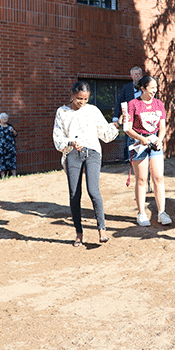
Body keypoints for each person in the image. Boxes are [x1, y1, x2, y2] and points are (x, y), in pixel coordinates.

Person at [53, 81, 120, 247]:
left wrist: (117, 124)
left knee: (93, 190)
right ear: (72, 95)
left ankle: (102, 229)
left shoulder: (92, 110)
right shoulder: (62, 112)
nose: (81, 102)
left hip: (92, 152)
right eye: (79, 98)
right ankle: (79, 233)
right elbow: (58, 138)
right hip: (72, 154)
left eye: (85, 99)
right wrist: (71, 142)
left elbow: (104, 132)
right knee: (74, 194)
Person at [123, 75, 170, 227]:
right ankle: (141, 213)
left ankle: (162, 212)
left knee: (158, 178)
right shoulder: (133, 104)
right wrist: (141, 139)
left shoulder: (159, 104)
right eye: (152, 88)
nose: (154, 91)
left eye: (156, 88)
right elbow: (128, 129)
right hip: (139, 143)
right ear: (143, 88)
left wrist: (159, 139)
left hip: (154, 142)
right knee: (142, 179)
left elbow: (162, 127)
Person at [114, 66, 144, 163]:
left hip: (143, 119)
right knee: (129, 137)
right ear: (131, 76)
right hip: (130, 118)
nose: (137, 77)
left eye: (139, 74)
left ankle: (142, 156)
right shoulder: (126, 88)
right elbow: (119, 102)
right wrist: (115, 118)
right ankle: (129, 158)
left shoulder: (145, 87)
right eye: (135, 75)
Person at [0, 113, 18, 178]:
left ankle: (14, 175)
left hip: (10, 148)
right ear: (0, 119)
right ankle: (2, 177)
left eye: (6, 117)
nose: (5, 118)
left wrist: (13, 131)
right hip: (0, 149)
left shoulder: (10, 126)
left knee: (12, 161)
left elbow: (15, 134)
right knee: (0, 162)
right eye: (3, 117)